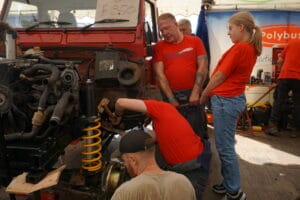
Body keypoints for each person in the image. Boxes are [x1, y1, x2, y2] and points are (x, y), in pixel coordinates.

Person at [199, 12, 262, 200]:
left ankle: (234, 191)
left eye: (230, 28)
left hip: (226, 101)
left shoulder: (241, 48)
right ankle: (228, 184)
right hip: (229, 100)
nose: (228, 32)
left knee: (225, 148)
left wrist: (204, 94)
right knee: (224, 145)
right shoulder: (247, 48)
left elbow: (219, 76)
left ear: (241, 28)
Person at [114, 98, 211, 200]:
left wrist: (116, 117)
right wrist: (118, 131)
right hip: (186, 164)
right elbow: (146, 140)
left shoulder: (161, 108)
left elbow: (120, 102)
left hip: (192, 169)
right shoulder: (164, 118)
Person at [153, 13, 208, 140]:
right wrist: (171, 98)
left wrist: (196, 92)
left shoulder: (195, 41)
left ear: (176, 25)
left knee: (196, 134)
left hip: (192, 95)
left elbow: (203, 67)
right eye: (161, 30)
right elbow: (160, 75)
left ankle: (198, 158)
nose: (164, 33)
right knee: (173, 135)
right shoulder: (159, 47)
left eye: (167, 28)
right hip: (170, 95)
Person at [111, 130, 196, 200]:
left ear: (133, 160)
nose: (125, 165)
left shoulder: (125, 192)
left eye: (125, 161)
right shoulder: (184, 182)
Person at [265, 40, 300, 137]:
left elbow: (280, 60)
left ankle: (272, 127)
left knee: (279, 101)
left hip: (286, 75)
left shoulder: (292, 43)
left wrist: (280, 72)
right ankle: (295, 130)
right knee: (298, 104)